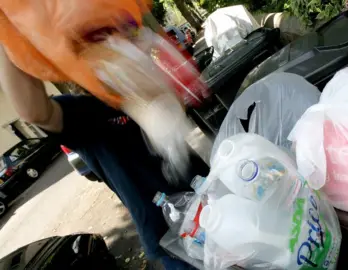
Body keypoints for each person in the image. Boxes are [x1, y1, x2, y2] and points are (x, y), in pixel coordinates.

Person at [0, 46, 209, 269]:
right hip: (174, 233)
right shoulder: (84, 113)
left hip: (211, 197)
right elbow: (34, 111)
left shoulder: (139, 87)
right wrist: (6, 36)